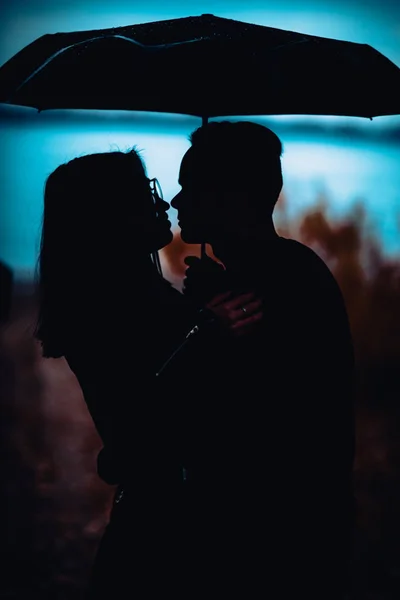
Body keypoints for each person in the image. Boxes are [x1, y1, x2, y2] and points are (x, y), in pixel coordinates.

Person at [34, 147, 263, 597]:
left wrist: (197, 306)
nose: (161, 204)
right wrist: (205, 327)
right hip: (166, 531)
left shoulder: (131, 295)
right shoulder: (102, 308)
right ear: (109, 216)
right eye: (145, 194)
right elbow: (145, 409)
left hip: (158, 518)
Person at [170, 121, 356, 599]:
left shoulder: (275, 283)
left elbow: (249, 411)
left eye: (189, 187)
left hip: (274, 543)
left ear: (230, 198)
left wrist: (206, 324)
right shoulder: (282, 269)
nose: (176, 202)